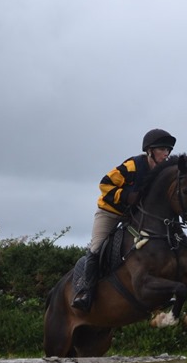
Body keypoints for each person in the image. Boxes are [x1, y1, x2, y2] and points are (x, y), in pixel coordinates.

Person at [71, 128, 177, 310]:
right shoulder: (132, 166)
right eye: (162, 149)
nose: (166, 153)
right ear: (150, 151)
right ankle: (86, 292)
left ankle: (160, 289)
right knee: (96, 248)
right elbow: (104, 184)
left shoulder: (162, 172)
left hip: (133, 215)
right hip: (109, 212)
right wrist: (127, 196)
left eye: (168, 150)